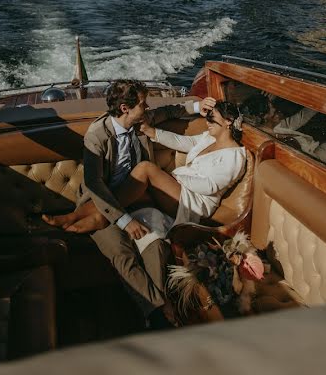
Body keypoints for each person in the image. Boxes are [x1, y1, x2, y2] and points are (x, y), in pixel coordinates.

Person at [42, 79, 210, 327]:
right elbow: (94, 183)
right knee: (122, 255)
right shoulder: (97, 135)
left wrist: (198, 107)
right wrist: (124, 220)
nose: (147, 107)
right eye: (143, 104)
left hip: (138, 198)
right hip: (103, 203)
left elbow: (171, 110)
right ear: (124, 108)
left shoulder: (142, 120)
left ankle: (159, 315)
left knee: (156, 248)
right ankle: (159, 312)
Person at [122, 100, 246, 226]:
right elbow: (182, 142)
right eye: (207, 117)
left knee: (145, 168)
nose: (207, 122)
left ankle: (112, 212)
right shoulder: (209, 138)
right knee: (139, 196)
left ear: (228, 121)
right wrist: (151, 131)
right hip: (182, 188)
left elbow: (210, 186)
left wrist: (176, 177)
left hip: (195, 202)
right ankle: (118, 217)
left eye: (212, 118)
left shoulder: (235, 156)